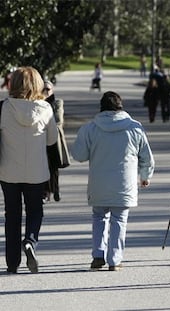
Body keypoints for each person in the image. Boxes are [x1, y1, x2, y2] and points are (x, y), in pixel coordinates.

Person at [71, 91, 155, 271]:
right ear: (120, 106)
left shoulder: (91, 128)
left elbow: (79, 155)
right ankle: (115, 260)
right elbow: (146, 157)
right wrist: (145, 175)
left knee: (99, 217)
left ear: (101, 107)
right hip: (124, 184)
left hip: (99, 183)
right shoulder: (134, 128)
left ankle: (97, 255)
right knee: (119, 220)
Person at [0, 67, 58, 274]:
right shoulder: (45, 109)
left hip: (8, 170)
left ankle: (12, 262)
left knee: (12, 215)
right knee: (35, 210)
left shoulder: (3, 108)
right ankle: (30, 241)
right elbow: (52, 140)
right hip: (36, 171)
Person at [43, 80, 70, 203]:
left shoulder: (57, 103)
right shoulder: (36, 103)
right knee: (44, 165)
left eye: (48, 89)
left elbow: (58, 120)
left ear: (52, 90)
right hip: (41, 139)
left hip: (55, 139)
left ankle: (56, 189)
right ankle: (46, 191)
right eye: (43, 89)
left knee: (54, 166)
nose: (45, 92)